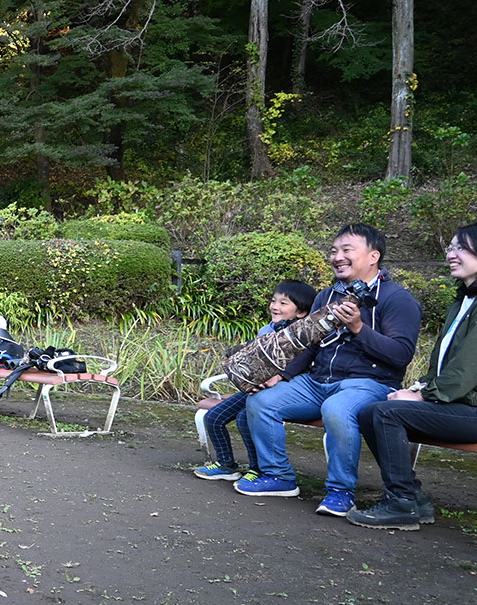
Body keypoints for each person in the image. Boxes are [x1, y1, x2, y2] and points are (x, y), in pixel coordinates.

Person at [238, 224, 422, 515]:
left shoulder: (396, 299)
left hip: (369, 383)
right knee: (261, 401)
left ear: (373, 256)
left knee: (337, 409)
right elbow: (308, 345)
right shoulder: (327, 296)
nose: (337, 257)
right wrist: (281, 374)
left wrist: (358, 328)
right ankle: (279, 477)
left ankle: (340, 491)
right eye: (334, 251)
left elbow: (400, 355)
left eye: (347, 250)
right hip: (318, 381)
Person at [348, 224, 477, 530]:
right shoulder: (463, 301)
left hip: (471, 409)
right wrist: (418, 387)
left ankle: (400, 503)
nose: (451, 254)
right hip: (460, 403)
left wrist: (422, 396)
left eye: (461, 247)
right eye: (450, 247)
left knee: (386, 413)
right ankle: (412, 497)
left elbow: (466, 370)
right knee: (372, 411)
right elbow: (447, 365)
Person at [194, 280, 316, 482]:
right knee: (213, 418)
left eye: (284, 303)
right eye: (274, 301)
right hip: (254, 389)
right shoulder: (267, 330)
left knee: (244, 419)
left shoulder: (302, 337)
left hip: (278, 392)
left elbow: (298, 369)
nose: (275, 306)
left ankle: (257, 469)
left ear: (301, 312)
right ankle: (226, 465)